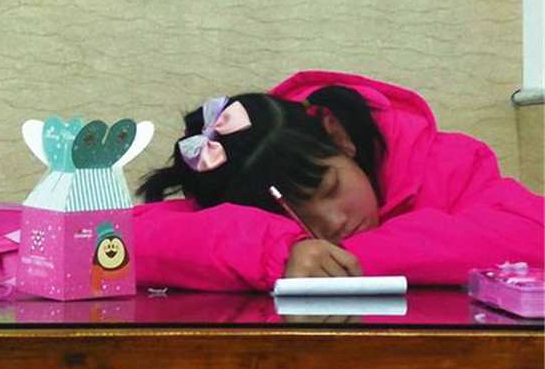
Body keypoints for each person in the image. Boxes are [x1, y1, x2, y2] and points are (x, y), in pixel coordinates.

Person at [132, 70, 544, 290]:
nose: (332, 223)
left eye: (329, 188)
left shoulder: (447, 161)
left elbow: (533, 237)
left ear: (339, 136)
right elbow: (117, 242)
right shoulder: (244, 188)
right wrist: (277, 253)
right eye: (297, 215)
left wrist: (341, 262)